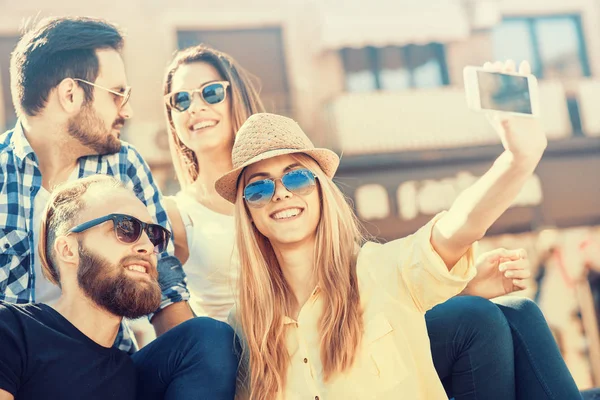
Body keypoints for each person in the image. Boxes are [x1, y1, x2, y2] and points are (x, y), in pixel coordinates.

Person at [164, 46, 581, 399]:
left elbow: (458, 225)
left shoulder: (380, 272)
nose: (281, 193)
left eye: (296, 177)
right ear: (249, 214)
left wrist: (518, 159)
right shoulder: (245, 334)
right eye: (258, 188)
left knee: (513, 315)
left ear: (322, 191)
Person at [0, 16, 194, 351]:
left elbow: (164, 283)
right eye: (117, 94)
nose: (128, 110)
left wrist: (194, 353)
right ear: (71, 94)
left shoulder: (125, 164)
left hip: (109, 366)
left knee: (208, 339)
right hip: (16, 369)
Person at [0, 175, 239, 400]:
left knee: (209, 336)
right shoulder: (10, 330)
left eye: (154, 235)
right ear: (68, 250)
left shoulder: (136, 377)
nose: (148, 246)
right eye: (126, 228)